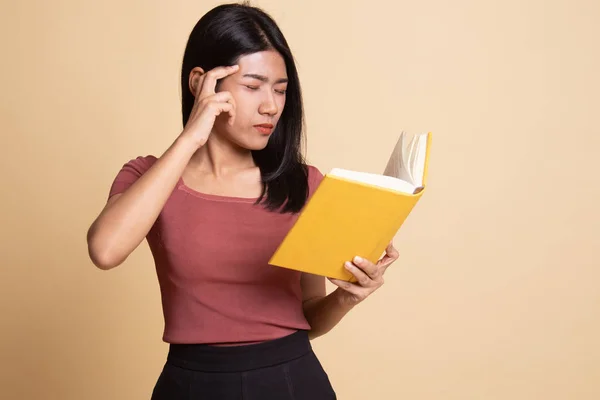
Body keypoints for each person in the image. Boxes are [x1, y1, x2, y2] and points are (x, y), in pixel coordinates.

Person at [86, 2, 399, 399]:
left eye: (281, 90)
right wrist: (190, 139)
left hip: (292, 381)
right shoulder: (147, 176)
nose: (271, 106)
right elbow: (105, 250)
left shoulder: (303, 183)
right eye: (252, 86)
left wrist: (347, 297)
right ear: (201, 82)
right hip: (191, 383)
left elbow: (308, 316)